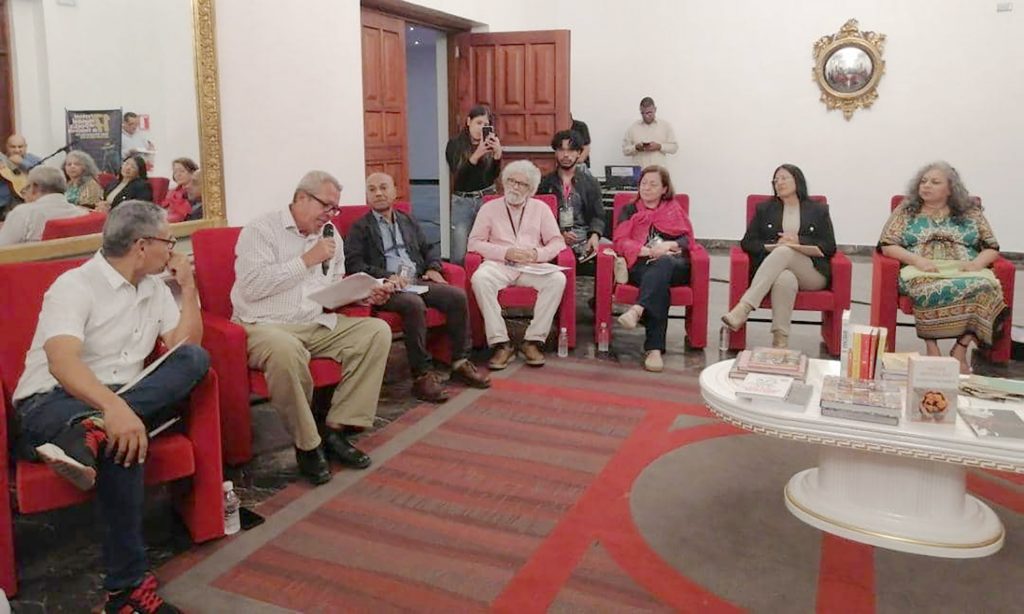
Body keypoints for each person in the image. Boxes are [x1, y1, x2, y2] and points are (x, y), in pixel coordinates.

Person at [11, 201, 207, 613]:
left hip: (120, 398)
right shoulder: (74, 286)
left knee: (194, 360)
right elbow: (62, 362)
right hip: (53, 401)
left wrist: (188, 288)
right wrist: (113, 408)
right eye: (168, 242)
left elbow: (185, 347)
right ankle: (126, 590)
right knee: (124, 438)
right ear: (142, 245)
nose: (172, 250)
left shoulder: (155, 289)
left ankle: (93, 433)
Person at [231, 170, 392, 485]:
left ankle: (336, 430)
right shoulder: (261, 230)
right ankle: (308, 444)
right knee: (287, 351)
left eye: (335, 208)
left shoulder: (330, 235)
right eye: (326, 206)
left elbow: (332, 286)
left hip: (313, 322)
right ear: (301, 198)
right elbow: (252, 286)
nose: (331, 214)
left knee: (376, 332)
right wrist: (305, 260)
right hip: (262, 326)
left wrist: (361, 293)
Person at [345, 172, 491, 402]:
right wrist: (388, 277)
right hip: (386, 288)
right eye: (372, 189)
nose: (378, 193)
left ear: (394, 191)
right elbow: (354, 264)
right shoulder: (360, 227)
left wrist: (433, 267)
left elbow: (428, 248)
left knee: (456, 296)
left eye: (383, 187)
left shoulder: (407, 220)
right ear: (367, 195)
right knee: (413, 304)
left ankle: (460, 361)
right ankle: (422, 375)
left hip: (415, 281)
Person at [878, 162, 1006, 374]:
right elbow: (887, 244)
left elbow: (992, 247)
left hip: (964, 268)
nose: (926, 186)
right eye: (923, 181)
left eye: (935, 182)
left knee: (987, 287)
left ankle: (960, 348)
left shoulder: (971, 212)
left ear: (950, 189)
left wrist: (976, 264)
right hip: (921, 268)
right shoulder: (906, 210)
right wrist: (917, 261)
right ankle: (932, 348)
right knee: (926, 287)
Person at [721, 164, 837, 349]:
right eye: (775, 180)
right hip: (777, 270)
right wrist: (773, 246)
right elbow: (747, 243)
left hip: (811, 272)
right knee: (784, 278)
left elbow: (830, 246)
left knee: (785, 251)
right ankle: (780, 340)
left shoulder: (818, 210)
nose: (779, 183)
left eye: (784, 178)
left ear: (797, 180)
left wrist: (799, 241)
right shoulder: (765, 209)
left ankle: (744, 307)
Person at [467, 160, 567, 370]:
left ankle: (533, 341)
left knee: (557, 279)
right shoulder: (489, 208)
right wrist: (504, 252)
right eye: (511, 181)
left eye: (522, 184)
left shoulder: (541, 208)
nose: (515, 187)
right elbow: (474, 243)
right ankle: (501, 343)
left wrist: (537, 254)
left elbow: (557, 242)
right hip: (499, 264)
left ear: (531, 189)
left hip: (530, 266)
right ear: (504, 182)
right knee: (480, 278)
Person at [613, 166, 694, 372]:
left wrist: (667, 246)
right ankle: (654, 350)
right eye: (643, 183)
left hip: (674, 266)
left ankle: (637, 309)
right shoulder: (630, 210)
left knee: (664, 263)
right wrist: (647, 251)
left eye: (653, 184)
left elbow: (686, 239)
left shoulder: (673, 209)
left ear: (664, 189)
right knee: (659, 285)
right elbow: (620, 240)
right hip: (642, 263)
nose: (646, 188)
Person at [445, 105, 502, 264]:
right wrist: (477, 154)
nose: (481, 128)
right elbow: (459, 175)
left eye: (485, 124)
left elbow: (492, 176)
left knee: (490, 246)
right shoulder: (454, 145)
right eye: (478, 123)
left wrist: (497, 156)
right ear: (468, 121)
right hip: (463, 200)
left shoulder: (489, 143)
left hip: (486, 197)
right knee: (459, 250)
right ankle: (460, 278)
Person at [537, 129, 605, 263]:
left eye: (571, 150)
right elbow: (537, 217)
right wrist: (558, 233)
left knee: (610, 252)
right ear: (555, 152)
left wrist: (595, 235)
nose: (566, 155)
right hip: (552, 236)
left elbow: (598, 216)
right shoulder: (544, 183)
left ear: (579, 153)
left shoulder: (590, 183)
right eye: (561, 150)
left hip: (584, 236)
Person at [0, 166, 88, 246]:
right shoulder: (81, 213)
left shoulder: (23, 213)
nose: (24, 195)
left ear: (34, 187)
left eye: (26, 188)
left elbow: (3, 248)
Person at [621, 97, 678, 169]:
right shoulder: (633, 128)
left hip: (658, 171)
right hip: (640, 172)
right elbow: (625, 150)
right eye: (642, 113)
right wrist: (636, 147)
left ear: (655, 109)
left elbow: (674, 148)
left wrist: (659, 146)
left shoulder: (665, 126)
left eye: (649, 113)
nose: (646, 116)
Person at [0, 134, 42, 218]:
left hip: (29, 203)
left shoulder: (35, 160)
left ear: (26, 147)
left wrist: (22, 163)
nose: (17, 150)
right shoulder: (2, 160)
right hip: (4, 204)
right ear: (7, 147)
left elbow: (44, 177)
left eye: (20, 147)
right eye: (13, 147)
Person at [162, 157, 198, 222]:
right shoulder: (171, 192)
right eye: (175, 172)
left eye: (182, 171)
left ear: (192, 172)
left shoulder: (196, 191)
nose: (178, 175)